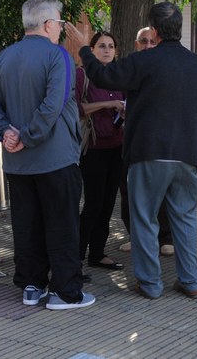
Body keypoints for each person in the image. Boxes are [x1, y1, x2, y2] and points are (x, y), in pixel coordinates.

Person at [65, 2, 197, 300]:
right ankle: (191, 281)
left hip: (149, 152)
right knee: (185, 218)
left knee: (144, 218)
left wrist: (84, 48)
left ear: (155, 30)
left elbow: (103, 76)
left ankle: (150, 284)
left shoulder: (145, 61)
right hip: (187, 154)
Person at [0, 0, 94, 310]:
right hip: (55, 158)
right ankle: (66, 292)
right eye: (59, 22)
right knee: (62, 225)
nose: (60, 28)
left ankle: (31, 285)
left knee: (26, 226)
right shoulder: (58, 56)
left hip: (17, 162)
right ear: (47, 24)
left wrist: (5, 133)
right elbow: (53, 106)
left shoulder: (5, 57)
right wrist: (26, 136)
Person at [118, 26, 175, 257]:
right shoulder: (128, 67)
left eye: (152, 41)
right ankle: (135, 235)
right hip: (127, 140)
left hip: (157, 142)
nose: (148, 45)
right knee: (128, 191)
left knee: (161, 192)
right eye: (143, 41)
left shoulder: (164, 68)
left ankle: (166, 237)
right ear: (135, 43)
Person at [76, 31, 126, 271]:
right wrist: (107, 104)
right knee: (93, 203)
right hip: (92, 148)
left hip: (117, 147)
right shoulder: (81, 75)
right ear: (92, 50)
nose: (107, 50)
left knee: (107, 204)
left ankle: (97, 253)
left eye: (111, 46)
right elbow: (75, 108)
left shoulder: (119, 77)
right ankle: (75, 255)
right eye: (102, 46)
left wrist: (124, 111)